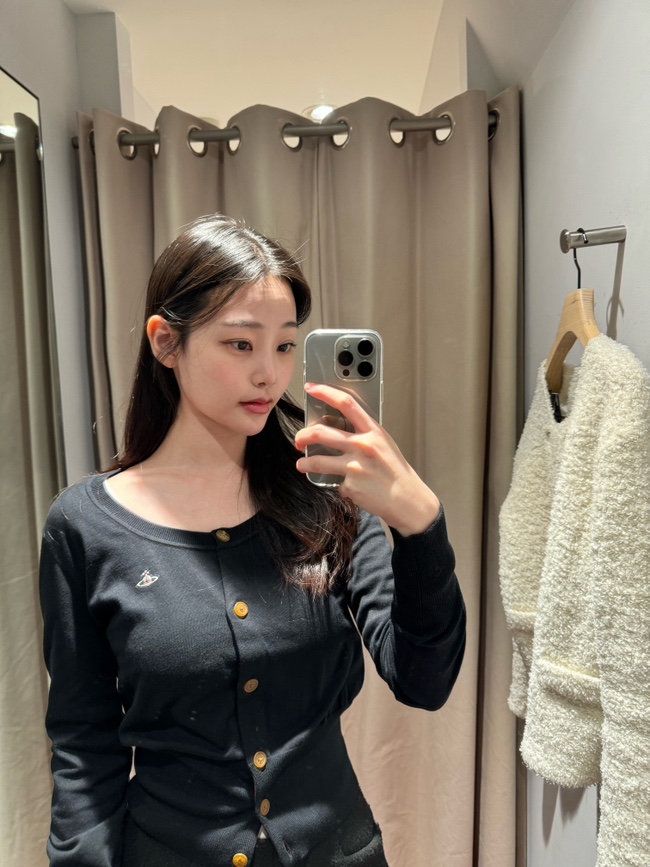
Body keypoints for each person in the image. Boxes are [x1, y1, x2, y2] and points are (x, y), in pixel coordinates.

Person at [39, 214, 466, 867]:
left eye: (286, 346)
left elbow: (423, 679)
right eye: (241, 344)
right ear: (166, 342)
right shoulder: (85, 526)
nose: (270, 373)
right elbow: (83, 744)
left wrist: (420, 525)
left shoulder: (329, 501)